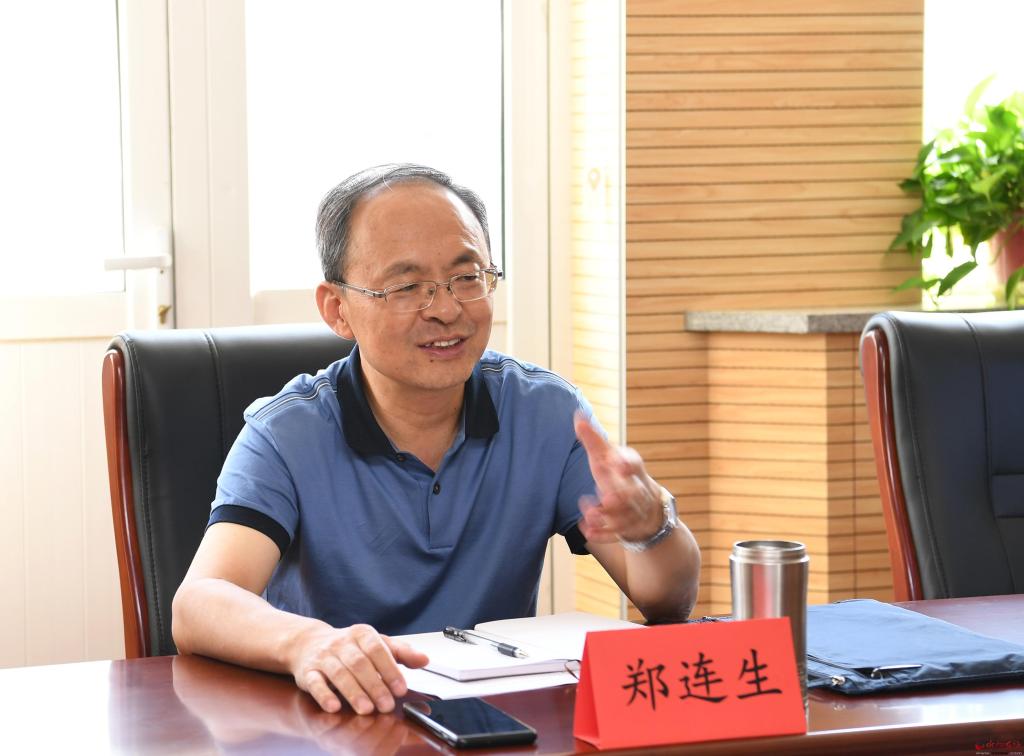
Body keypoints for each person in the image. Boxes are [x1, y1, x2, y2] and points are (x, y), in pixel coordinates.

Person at [171, 163, 701, 716]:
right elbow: (199, 604)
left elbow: (667, 601)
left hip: (493, 722)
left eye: (467, 277)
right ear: (337, 309)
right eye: (407, 287)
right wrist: (308, 642)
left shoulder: (545, 411)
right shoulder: (285, 433)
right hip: (341, 721)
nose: (446, 310)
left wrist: (653, 531)